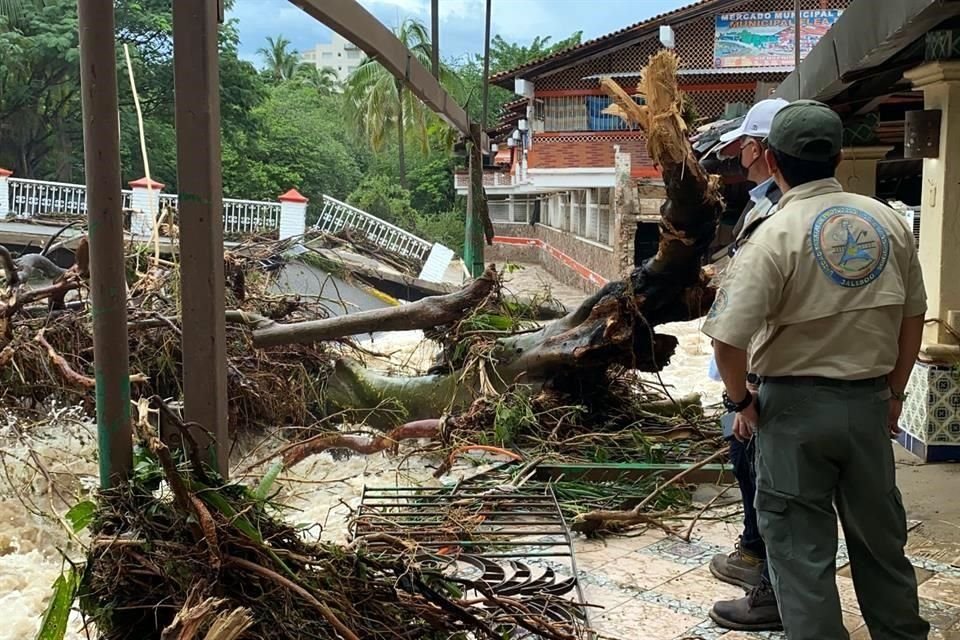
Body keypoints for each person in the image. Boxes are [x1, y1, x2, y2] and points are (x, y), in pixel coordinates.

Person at [702, 100, 930, 640]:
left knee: (801, 558)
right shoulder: (888, 222)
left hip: (793, 413)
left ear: (774, 161)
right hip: (870, 406)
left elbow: (727, 340)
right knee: (882, 546)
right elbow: (914, 315)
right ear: (839, 156)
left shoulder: (774, 233)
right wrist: (894, 395)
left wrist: (742, 403)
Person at [703, 97, 789, 632]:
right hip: (760, 370)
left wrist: (743, 395)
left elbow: (742, 324)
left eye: (743, 148)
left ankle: (766, 573)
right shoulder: (766, 204)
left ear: (760, 149)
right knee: (748, 465)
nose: (739, 158)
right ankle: (757, 552)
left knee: (763, 472)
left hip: (764, 374)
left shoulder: (781, 215)